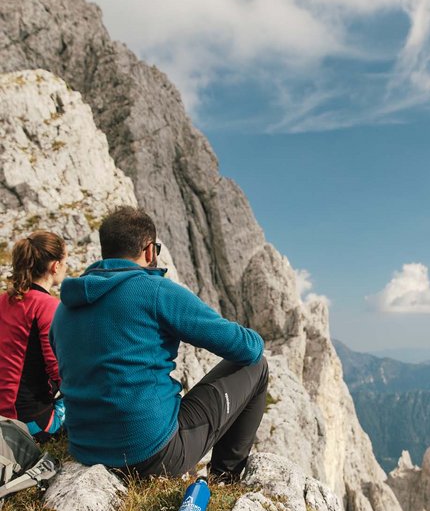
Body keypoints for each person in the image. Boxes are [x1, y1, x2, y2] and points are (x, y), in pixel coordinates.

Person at [50, 206, 268, 480]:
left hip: (85, 449)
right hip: (152, 455)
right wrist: (258, 336)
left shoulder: (63, 310)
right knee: (257, 365)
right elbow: (246, 348)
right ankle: (224, 478)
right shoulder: (154, 291)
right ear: (150, 250)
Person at [0, 231, 68, 442]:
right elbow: (57, 369)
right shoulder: (47, 306)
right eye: (65, 261)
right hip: (32, 423)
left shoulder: (4, 300)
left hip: (4, 413)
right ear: (55, 266)